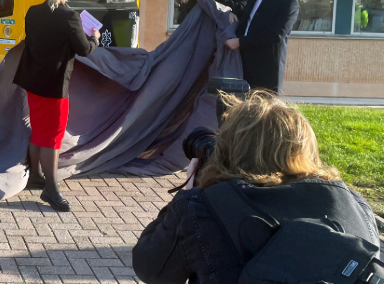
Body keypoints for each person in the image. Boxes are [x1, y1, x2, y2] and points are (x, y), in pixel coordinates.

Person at [132, 91, 381, 283]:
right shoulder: (355, 203)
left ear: (230, 149)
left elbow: (151, 268)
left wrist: (186, 194)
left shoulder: (203, 206)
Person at [12, 0, 100, 212]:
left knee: (38, 129)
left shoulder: (32, 12)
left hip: (33, 82)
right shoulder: (70, 17)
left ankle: (35, 176)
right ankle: (51, 189)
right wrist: (95, 38)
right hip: (55, 86)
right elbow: (84, 50)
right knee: (52, 137)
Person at [225, 0, 299, 93]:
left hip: (265, 69)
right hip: (241, 63)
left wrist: (240, 42)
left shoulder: (288, 1)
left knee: (261, 112)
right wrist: (233, 14)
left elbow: (275, 36)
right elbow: (249, 20)